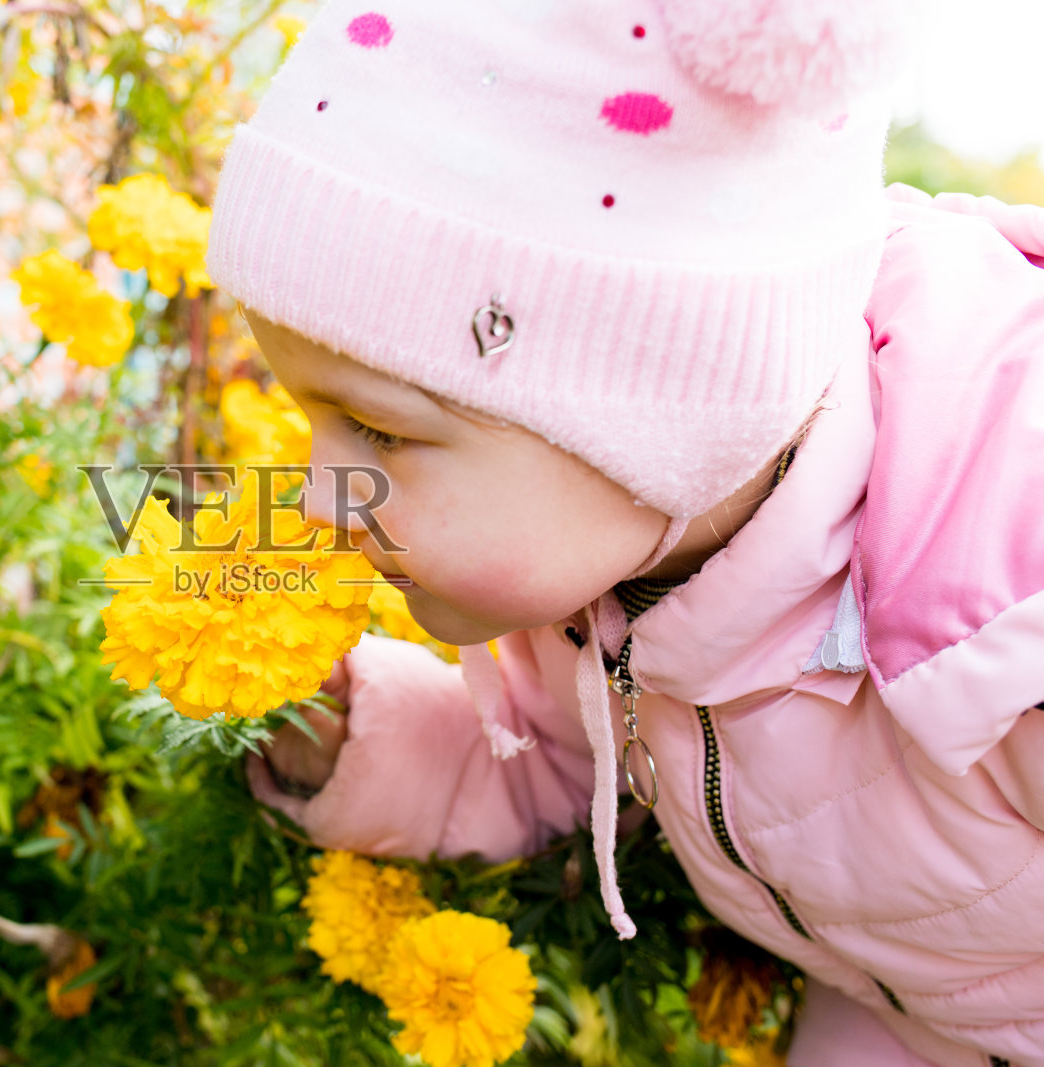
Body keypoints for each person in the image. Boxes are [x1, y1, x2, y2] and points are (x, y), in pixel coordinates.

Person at [202, 2, 1044, 1064]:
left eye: (378, 427)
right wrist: (348, 732)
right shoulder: (602, 575)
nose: (322, 500)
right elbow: (552, 770)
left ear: (663, 405)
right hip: (908, 1018)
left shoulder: (1002, 600)